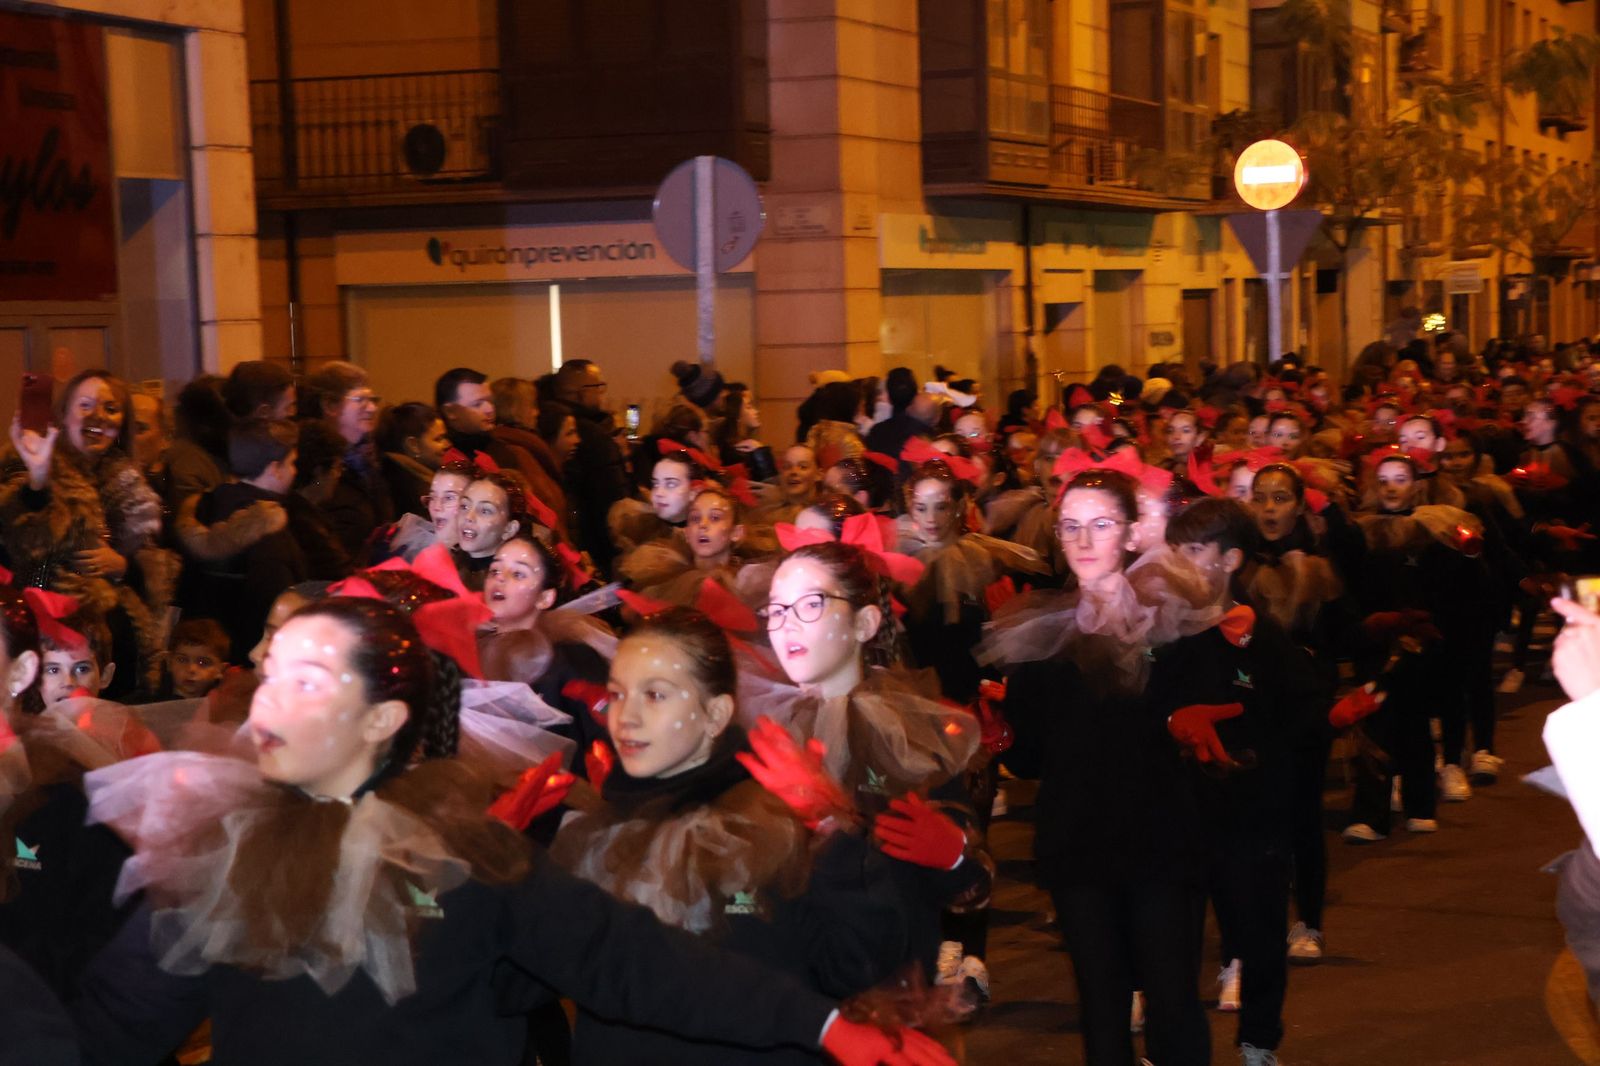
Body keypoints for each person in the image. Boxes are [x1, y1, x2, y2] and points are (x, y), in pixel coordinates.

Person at [72, 597, 949, 1066]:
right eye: (269, 674)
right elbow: (117, 1020)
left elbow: (635, 963)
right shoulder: (225, 855)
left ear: (382, 720)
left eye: (306, 679)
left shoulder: (467, 859)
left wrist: (826, 1026)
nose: (265, 699)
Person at [553, 606, 910, 1064]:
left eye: (656, 695)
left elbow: (858, 964)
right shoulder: (591, 840)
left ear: (716, 713)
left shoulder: (771, 829)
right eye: (618, 694)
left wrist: (830, 831)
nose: (627, 717)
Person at [982, 469, 1222, 1066]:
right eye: (1071, 527)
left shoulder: (1172, 621)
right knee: (1101, 1003)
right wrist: (999, 729)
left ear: (1132, 534)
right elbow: (1033, 755)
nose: (1085, 540)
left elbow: (1208, 714)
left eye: (1101, 525)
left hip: (1159, 836)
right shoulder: (1042, 636)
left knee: (1172, 1001)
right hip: (1077, 840)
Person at [1160, 498, 1324, 1066]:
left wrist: (1251, 750)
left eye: (1196, 552)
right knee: (1169, 935)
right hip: (1176, 811)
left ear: (1230, 560)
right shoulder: (1158, 635)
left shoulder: (1263, 638)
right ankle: (1169, 1037)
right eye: (1174, 551)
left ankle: (1258, 1039)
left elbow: (1301, 717)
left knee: (1258, 931)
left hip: (1249, 813)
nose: (1179, 564)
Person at [2, 369, 176, 700]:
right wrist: (38, 478)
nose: (98, 416)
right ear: (64, 413)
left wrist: (122, 565)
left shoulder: (127, 482)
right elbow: (23, 539)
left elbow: (156, 572)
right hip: (52, 646)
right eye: (85, 405)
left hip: (117, 654)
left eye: (111, 408)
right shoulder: (25, 459)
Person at [187, 419, 308, 661]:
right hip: (249, 659)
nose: (295, 471)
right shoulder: (268, 526)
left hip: (203, 657)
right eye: (292, 463)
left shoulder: (204, 509)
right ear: (274, 468)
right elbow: (274, 602)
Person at [300, 361, 392, 562]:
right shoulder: (312, 462)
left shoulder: (368, 459)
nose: (372, 408)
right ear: (329, 405)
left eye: (373, 400)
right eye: (361, 399)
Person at [552, 360, 629, 576]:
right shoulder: (593, 437)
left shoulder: (551, 422)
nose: (601, 393)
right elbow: (612, 500)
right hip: (597, 547)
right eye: (598, 386)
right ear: (580, 392)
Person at [454, 471, 530, 590]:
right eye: (464, 506)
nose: (468, 517)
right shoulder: (446, 561)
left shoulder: (504, 588)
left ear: (509, 529)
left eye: (485, 511)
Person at [375, 403, 451, 521]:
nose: (447, 444)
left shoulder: (394, 476)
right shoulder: (416, 494)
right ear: (413, 445)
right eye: (438, 439)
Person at [163, 619, 230, 701]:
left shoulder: (221, 709)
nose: (191, 669)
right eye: (182, 660)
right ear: (169, 662)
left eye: (203, 662)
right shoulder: (150, 703)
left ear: (221, 670)